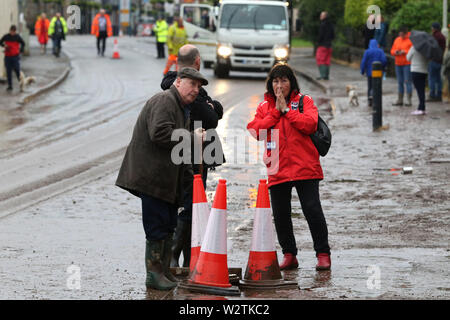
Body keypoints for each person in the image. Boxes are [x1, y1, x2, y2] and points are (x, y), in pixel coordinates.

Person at [115, 67, 208, 291]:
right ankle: (154, 275)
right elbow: (159, 133)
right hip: (152, 178)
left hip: (165, 180)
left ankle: (164, 271)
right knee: (157, 226)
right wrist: (191, 137)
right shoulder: (165, 101)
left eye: (199, 86)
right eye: (192, 84)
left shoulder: (181, 108)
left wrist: (189, 177)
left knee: (168, 225)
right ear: (178, 82)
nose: (195, 90)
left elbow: (179, 149)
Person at [247, 64, 331, 271]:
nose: (279, 85)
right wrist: (276, 112)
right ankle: (289, 254)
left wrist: (287, 111)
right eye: (275, 81)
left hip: (305, 166)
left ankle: (322, 254)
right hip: (277, 168)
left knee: (312, 210)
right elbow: (255, 131)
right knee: (281, 214)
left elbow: (310, 124)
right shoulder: (264, 107)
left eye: (284, 80)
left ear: (291, 82)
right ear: (270, 84)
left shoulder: (305, 101)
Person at [160, 44, 224, 267]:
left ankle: (189, 257)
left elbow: (216, 109)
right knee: (190, 204)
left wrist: (212, 106)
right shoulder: (185, 89)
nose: (196, 88)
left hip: (189, 151)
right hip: (192, 153)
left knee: (191, 204)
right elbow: (212, 117)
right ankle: (175, 257)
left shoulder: (180, 86)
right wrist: (210, 106)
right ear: (197, 62)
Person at [390, 26, 413, 106]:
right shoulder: (397, 40)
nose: (401, 36)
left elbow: (412, 51)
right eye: (400, 34)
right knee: (400, 82)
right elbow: (392, 50)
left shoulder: (410, 40)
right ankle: (400, 99)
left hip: (407, 63)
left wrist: (404, 51)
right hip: (398, 63)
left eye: (402, 34)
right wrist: (395, 52)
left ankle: (409, 100)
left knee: (407, 81)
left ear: (406, 34)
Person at [360, 39, 387, 106]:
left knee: (370, 86)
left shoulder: (367, 52)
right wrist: (382, 67)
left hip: (369, 73)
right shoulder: (380, 51)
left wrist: (362, 71)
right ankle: (377, 100)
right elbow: (384, 60)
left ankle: (370, 99)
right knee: (378, 86)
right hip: (378, 72)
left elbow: (363, 62)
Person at [0, 25, 25, 92]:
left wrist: (21, 50)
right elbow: (1, 42)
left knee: (17, 70)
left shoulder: (17, 37)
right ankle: (10, 86)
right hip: (7, 56)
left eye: (13, 32)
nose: (12, 33)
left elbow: (23, 43)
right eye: (11, 31)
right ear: (10, 30)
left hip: (15, 56)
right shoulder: (6, 36)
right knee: (8, 72)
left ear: (15, 31)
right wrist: (4, 45)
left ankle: (21, 84)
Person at [407, 43, 429, 115]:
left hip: (416, 71)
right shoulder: (426, 49)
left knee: (419, 90)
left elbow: (408, 58)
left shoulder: (413, 48)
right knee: (422, 89)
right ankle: (422, 107)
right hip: (424, 71)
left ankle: (421, 108)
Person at [427, 22, 446, 102]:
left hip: (434, 59)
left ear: (434, 28)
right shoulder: (442, 36)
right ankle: (439, 94)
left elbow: (432, 48)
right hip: (440, 60)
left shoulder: (434, 36)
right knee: (438, 78)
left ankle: (432, 95)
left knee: (431, 78)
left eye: (432, 27)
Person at [316, 11, 334, 80]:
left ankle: (322, 75)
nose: (320, 16)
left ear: (324, 16)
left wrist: (318, 41)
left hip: (322, 45)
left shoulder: (322, 25)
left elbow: (320, 35)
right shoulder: (331, 25)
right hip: (329, 45)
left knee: (321, 60)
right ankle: (326, 75)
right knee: (327, 60)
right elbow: (333, 35)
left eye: (321, 15)